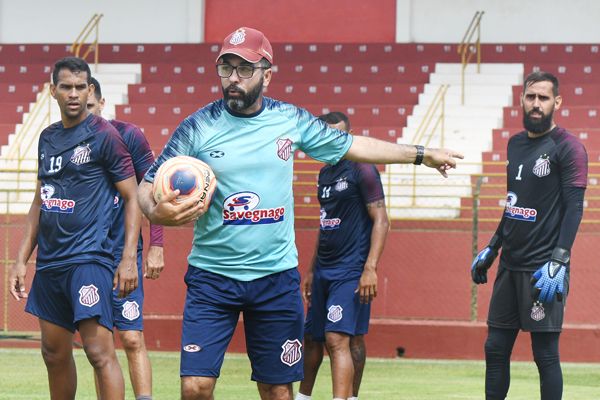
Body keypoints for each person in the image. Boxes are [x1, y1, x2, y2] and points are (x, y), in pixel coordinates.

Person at [137, 26, 462, 400]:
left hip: (275, 279)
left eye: (245, 69)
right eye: (226, 68)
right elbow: (148, 187)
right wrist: (157, 211)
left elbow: (354, 146)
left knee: (277, 391)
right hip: (212, 278)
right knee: (195, 389)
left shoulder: (289, 120)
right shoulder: (198, 126)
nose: (233, 78)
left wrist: (420, 155)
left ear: (267, 74)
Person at [8, 57, 141, 399]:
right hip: (50, 264)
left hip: (88, 261)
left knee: (99, 353)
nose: (74, 94)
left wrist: (128, 259)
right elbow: (40, 200)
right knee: (53, 354)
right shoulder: (47, 138)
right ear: (53, 91)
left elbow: (132, 198)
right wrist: (22, 259)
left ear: (90, 91)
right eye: (66, 86)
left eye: (81, 87)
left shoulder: (105, 136)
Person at [471, 71, 587, 400]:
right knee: (494, 348)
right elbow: (513, 205)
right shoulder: (515, 143)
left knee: (545, 354)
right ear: (522, 99)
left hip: (543, 269)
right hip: (510, 265)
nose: (536, 104)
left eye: (543, 98)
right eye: (531, 96)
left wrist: (559, 259)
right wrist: (492, 248)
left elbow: (574, 209)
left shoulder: (569, 148)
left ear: (557, 102)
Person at [296, 111, 389, 400]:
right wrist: (312, 270)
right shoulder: (324, 172)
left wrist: (370, 268)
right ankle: (304, 397)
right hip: (324, 270)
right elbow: (326, 224)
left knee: (339, 338)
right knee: (312, 337)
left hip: (351, 271)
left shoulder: (362, 169)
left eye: (340, 135)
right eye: (328, 135)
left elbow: (382, 220)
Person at [87, 77, 165, 400]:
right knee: (98, 345)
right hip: (87, 257)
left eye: (91, 106)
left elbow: (153, 192)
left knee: (132, 337)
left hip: (124, 253)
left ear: (102, 104)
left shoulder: (129, 136)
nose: (86, 113)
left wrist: (156, 245)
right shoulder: (67, 142)